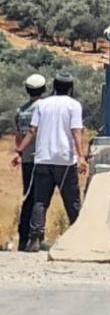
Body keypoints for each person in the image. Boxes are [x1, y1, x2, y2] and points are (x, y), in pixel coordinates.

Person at [11, 72, 86, 253]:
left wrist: (19, 151)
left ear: (53, 87)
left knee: (40, 201)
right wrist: (81, 156)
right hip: (65, 160)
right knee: (72, 201)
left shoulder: (42, 105)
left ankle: (34, 239)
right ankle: (79, 237)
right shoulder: (74, 105)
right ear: (70, 88)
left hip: (42, 159)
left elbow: (32, 130)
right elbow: (76, 132)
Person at [10, 74, 46, 251]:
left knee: (29, 195)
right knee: (38, 198)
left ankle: (24, 238)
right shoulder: (43, 108)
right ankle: (32, 237)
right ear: (44, 89)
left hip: (26, 159)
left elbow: (18, 135)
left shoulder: (21, 110)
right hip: (40, 158)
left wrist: (19, 153)